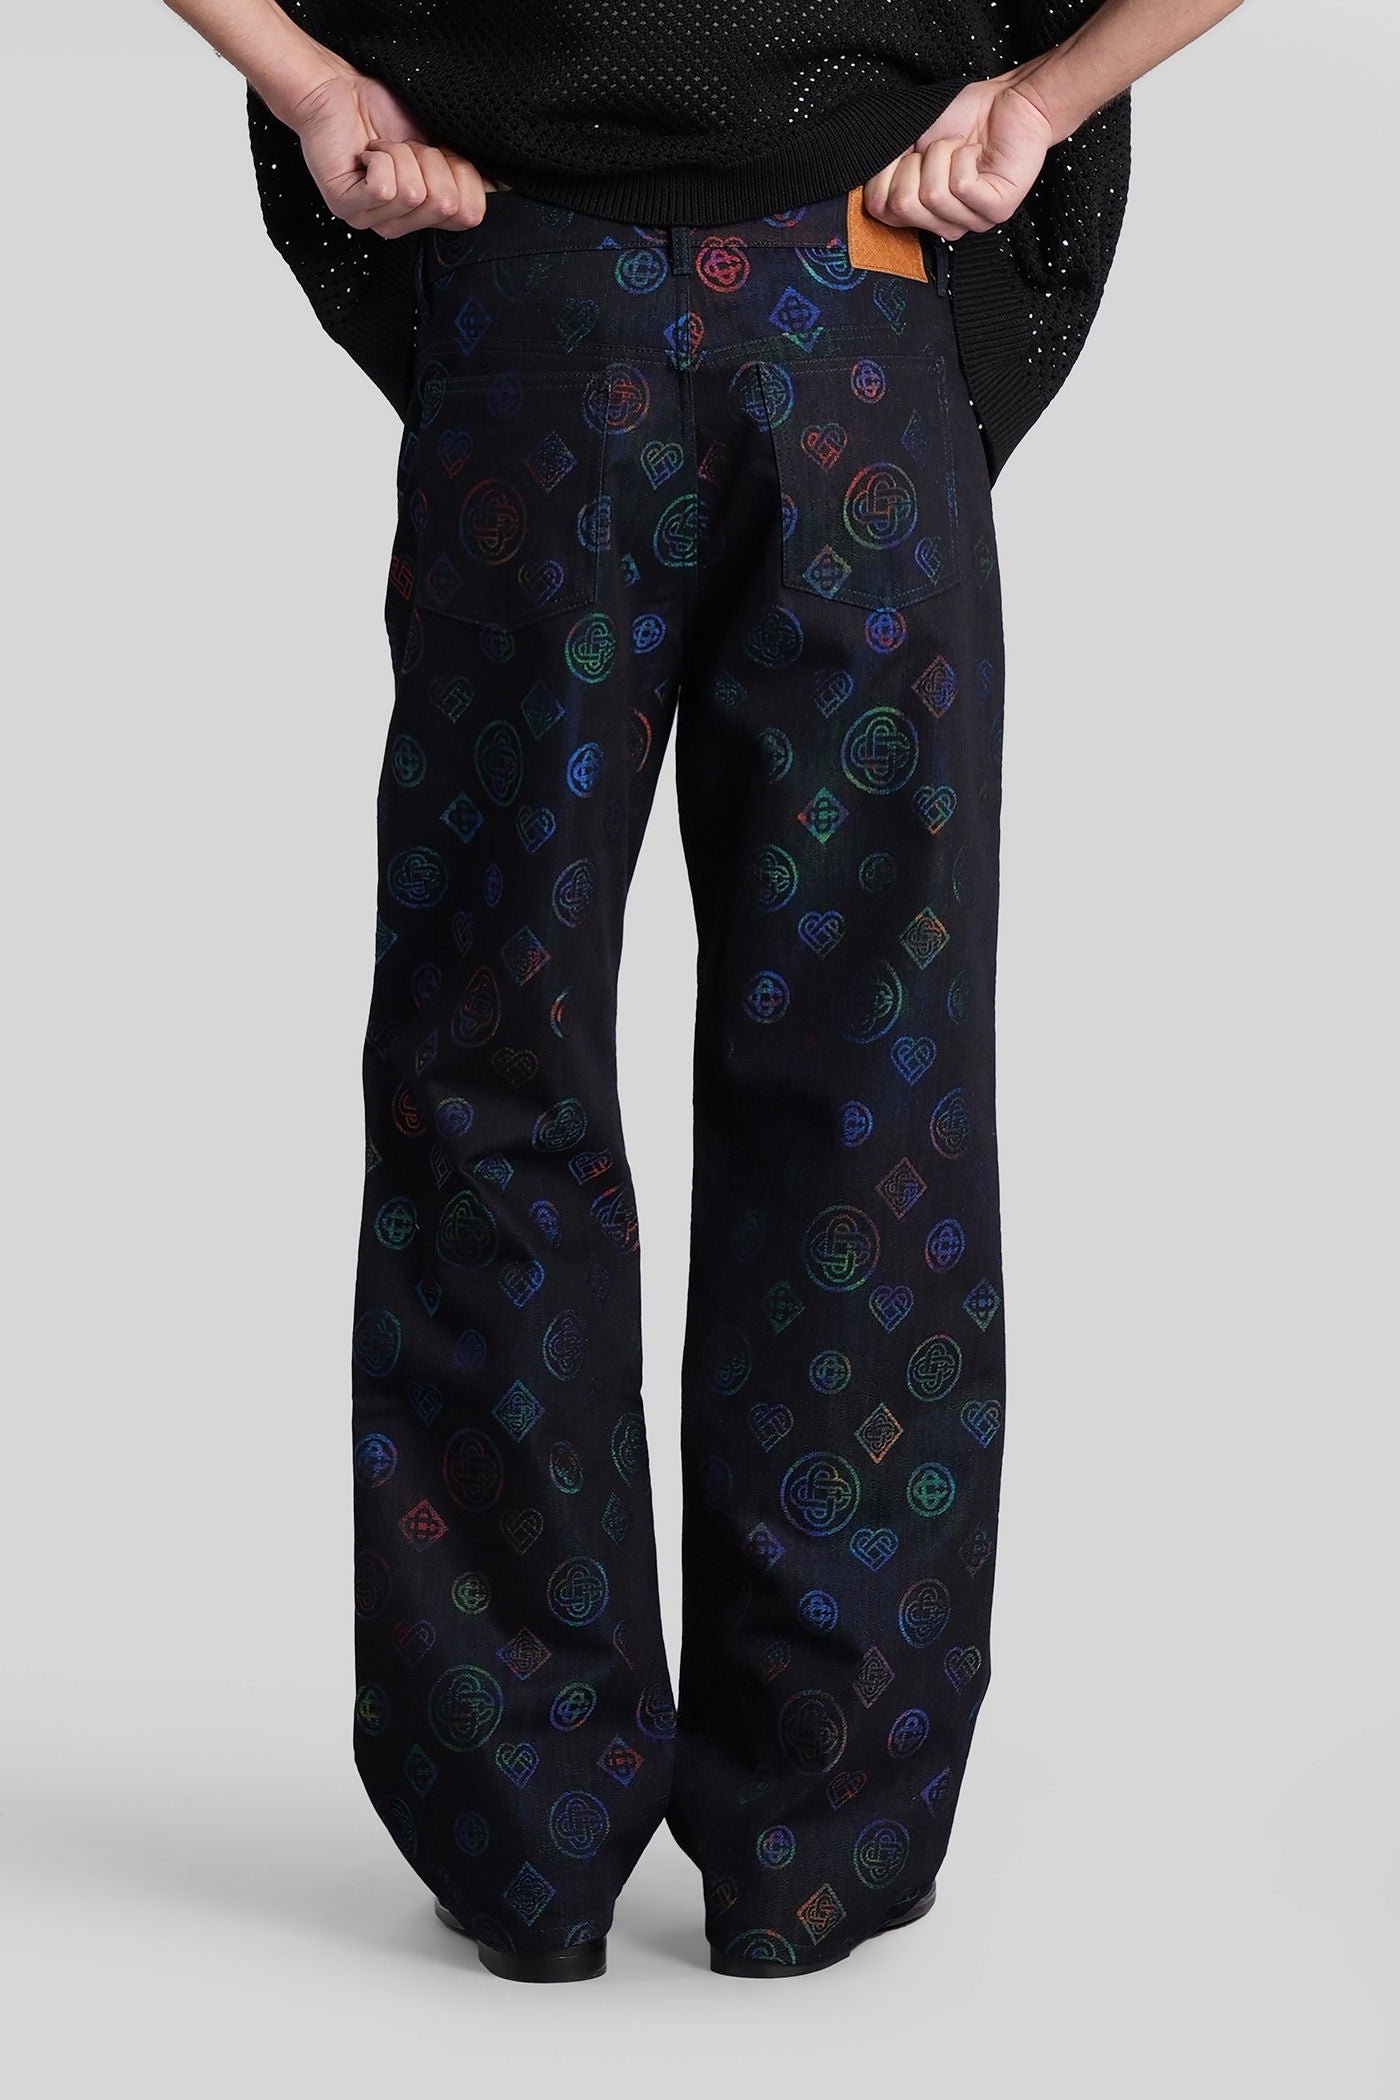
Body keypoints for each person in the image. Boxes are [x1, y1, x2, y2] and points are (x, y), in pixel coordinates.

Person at [164, 0, 1246, 1984]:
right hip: (852, 302)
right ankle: (819, 1834)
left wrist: (315, 85)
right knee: (864, 1085)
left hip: (540, 306)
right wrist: (1038, 100)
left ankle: (520, 1821)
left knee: (488, 1068)